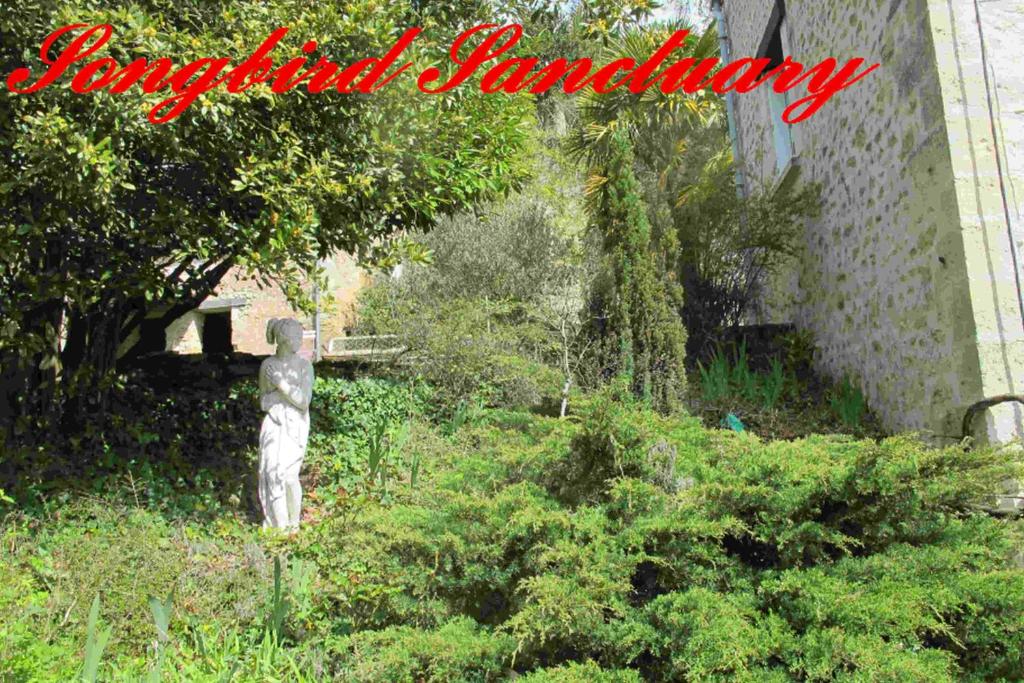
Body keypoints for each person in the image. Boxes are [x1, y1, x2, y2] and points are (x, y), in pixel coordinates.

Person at [258, 318, 314, 531]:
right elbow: (263, 401)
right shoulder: (267, 366)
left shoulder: (303, 366)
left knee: (289, 477)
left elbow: (302, 401)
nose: (300, 340)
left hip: (295, 426)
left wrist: (281, 384)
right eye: (297, 336)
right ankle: (279, 527)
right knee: (273, 474)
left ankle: (293, 523)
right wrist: (278, 400)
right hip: (274, 424)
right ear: (283, 339)